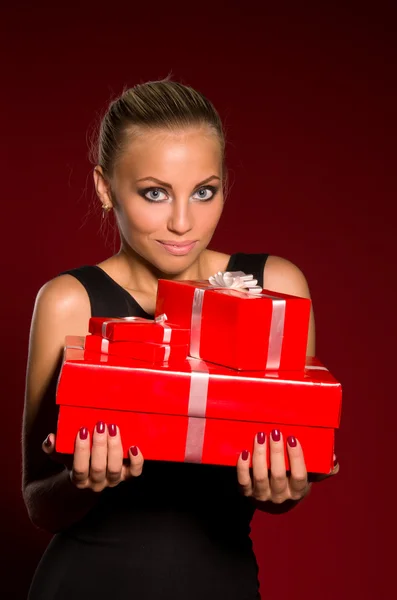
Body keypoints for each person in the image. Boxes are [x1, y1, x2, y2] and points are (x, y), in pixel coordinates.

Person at [22, 78, 339, 600]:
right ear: (104, 187)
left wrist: (284, 488)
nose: (183, 222)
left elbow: (284, 486)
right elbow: (38, 502)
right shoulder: (68, 301)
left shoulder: (275, 289)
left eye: (204, 191)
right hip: (85, 584)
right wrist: (86, 481)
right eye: (154, 193)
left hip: (220, 582)